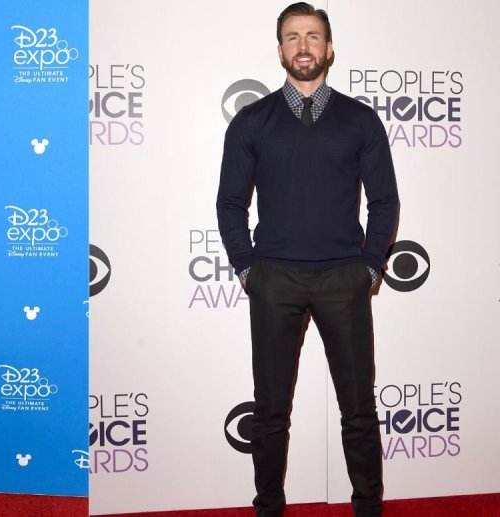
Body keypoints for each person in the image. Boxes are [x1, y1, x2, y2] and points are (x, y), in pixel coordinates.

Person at [216, 3, 399, 516]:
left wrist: (369, 266)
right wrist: (248, 268)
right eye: (293, 37)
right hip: (274, 279)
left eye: (313, 36)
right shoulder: (253, 121)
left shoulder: (360, 120)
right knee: (271, 411)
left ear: (329, 48)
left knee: (359, 410)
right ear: (279, 51)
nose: (303, 46)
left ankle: (368, 507)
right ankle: (268, 507)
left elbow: (384, 201)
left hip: (345, 278)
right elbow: (230, 202)